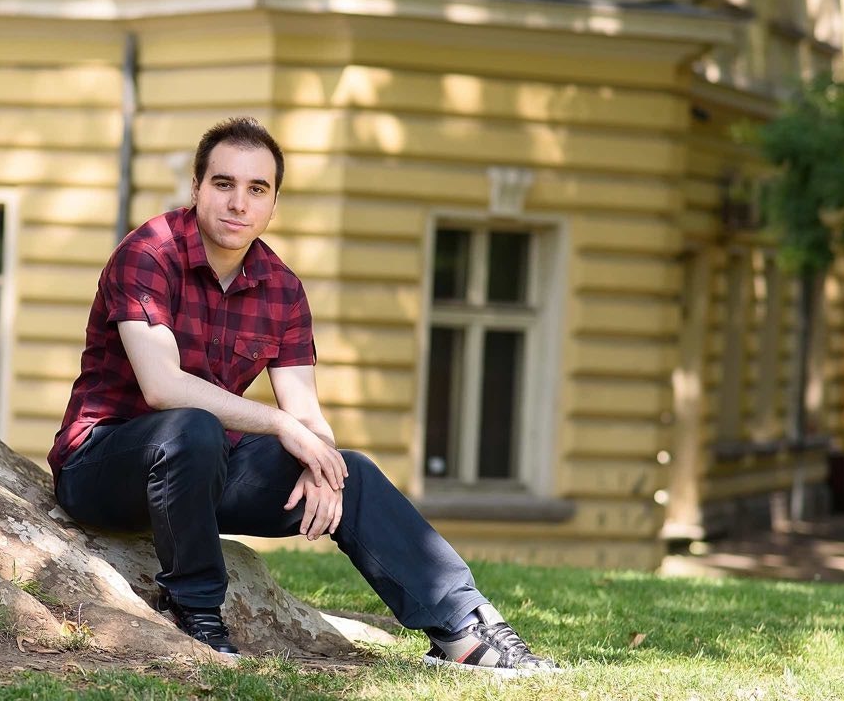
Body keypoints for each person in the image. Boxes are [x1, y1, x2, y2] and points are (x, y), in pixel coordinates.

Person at [48, 117, 558, 675]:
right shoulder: (149, 252)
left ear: (273, 205)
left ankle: (464, 628)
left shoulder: (282, 287)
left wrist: (320, 462)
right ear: (196, 189)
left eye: (256, 189)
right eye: (223, 184)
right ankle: (196, 613)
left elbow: (305, 411)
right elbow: (162, 386)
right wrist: (283, 428)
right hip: (102, 465)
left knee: (350, 471)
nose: (238, 203)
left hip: (200, 472)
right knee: (194, 425)